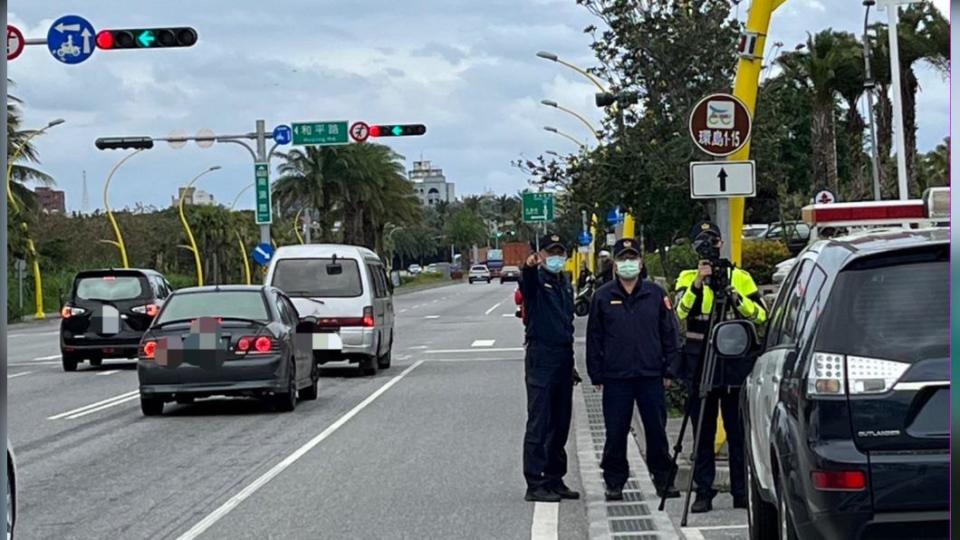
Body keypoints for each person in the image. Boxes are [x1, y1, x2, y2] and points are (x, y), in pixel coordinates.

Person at [672, 222, 767, 513]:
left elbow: (761, 315)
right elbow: (680, 312)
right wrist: (697, 284)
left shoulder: (740, 277)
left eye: (712, 242)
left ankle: (741, 490)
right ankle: (704, 490)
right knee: (702, 429)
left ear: (721, 244)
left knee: (737, 430)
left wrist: (734, 295)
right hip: (700, 361)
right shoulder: (688, 277)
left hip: (735, 361)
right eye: (701, 243)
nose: (708, 248)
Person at [586, 239, 680, 502]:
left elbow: (670, 333)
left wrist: (670, 370)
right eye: (623, 259)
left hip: (650, 375)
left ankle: (664, 480)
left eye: (632, 258)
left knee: (656, 431)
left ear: (640, 262)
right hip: (616, 377)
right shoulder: (603, 296)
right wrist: (597, 374)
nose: (628, 263)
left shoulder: (655, 294)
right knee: (615, 433)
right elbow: (594, 337)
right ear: (615, 264)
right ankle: (614, 482)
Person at [520, 233, 579, 503]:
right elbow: (527, 282)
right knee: (539, 423)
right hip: (541, 356)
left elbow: (567, 324)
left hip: (563, 357)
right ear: (540, 255)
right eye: (550, 252)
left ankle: (555, 477)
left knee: (560, 422)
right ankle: (535, 482)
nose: (555, 257)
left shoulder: (564, 281)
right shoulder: (536, 280)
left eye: (559, 252)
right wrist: (529, 267)